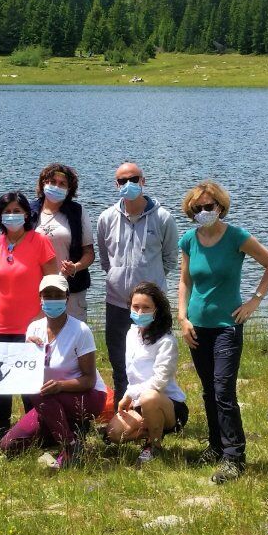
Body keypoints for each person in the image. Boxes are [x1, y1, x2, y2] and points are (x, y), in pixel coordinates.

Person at [178, 180, 268, 484]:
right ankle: (215, 446)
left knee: (224, 391)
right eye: (197, 208)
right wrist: (182, 318)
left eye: (209, 206)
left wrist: (254, 301)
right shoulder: (188, 240)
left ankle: (234, 457)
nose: (203, 211)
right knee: (209, 391)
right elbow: (185, 282)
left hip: (227, 327)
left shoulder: (236, 236)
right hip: (196, 327)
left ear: (220, 206)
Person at [0, 275, 106, 469]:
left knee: (38, 392)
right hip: (49, 399)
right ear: (40, 298)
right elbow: (26, 373)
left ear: (67, 297)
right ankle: (66, 429)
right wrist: (27, 351)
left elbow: (89, 379)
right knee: (9, 446)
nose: (52, 299)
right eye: (47, 295)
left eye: (58, 295)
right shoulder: (33, 328)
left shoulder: (80, 330)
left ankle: (71, 447)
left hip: (87, 396)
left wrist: (60, 386)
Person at [96, 161, 180, 404]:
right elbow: (105, 258)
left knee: (155, 361)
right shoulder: (106, 218)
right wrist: (118, 277)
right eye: (123, 181)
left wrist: (148, 290)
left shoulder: (163, 218)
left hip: (152, 308)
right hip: (117, 303)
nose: (129, 184)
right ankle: (122, 413)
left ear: (143, 181)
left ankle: (156, 411)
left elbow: (169, 259)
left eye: (134, 179)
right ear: (116, 184)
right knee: (120, 361)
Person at [0, 192, 57, 440]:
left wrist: (41, 317)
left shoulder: (40, 241)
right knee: (1, 381)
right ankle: (0, 427)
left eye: (17, 210)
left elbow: (52, 283)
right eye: (7, 211)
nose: (12, 215)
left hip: (32, 325)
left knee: (29, 382)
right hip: (0, 323)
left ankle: (33, 428)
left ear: (27, 214)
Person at [104, 282, 189, 465]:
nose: (140, 312)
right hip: (139, 402)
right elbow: (132, 374)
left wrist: (129, 395)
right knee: (113, 433)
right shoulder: (131, 333)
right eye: (136, 307)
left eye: (146, 307)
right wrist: (131, 396)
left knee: (149, 396)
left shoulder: (166, 341)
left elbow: (159, 382)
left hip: (167, 404)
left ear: (157, 310)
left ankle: (154, 445)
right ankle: (150, 428)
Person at [31, 163, 94, 322]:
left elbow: (89, 253)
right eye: (52, 181)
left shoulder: (78, 212)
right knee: (39, 336)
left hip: (71, 289)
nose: (56, 186)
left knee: (74, 339)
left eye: (62, 183)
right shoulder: (29, 211)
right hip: (37, 288)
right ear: (43, 183)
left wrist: (75, 267)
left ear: (69, 189)